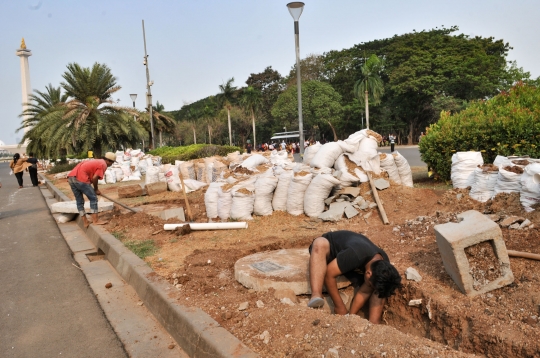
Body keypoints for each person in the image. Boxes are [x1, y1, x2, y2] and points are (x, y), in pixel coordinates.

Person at [307, 230, 401, 324]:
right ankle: (316, 295)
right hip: (332, 251)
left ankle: (374, 322)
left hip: (353, 267)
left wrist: (351, 317)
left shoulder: (383, 265)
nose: (370, 287)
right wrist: (340, 307)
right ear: (368, 274)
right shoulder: (355, 255)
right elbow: (328, 274)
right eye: (370, 285)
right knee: (319, 243)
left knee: (380, 289)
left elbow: (364, 291)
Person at [67, 152, 116, 228]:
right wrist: (96, 189)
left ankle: (85, 222)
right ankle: (96, 220)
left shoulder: (96, 161)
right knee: (93, 198)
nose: (111, 165)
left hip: (71, 177)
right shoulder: (103, 164)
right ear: (108, 161)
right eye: (112, 163)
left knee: (79, 201)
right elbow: (95, 178)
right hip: (81, 178)